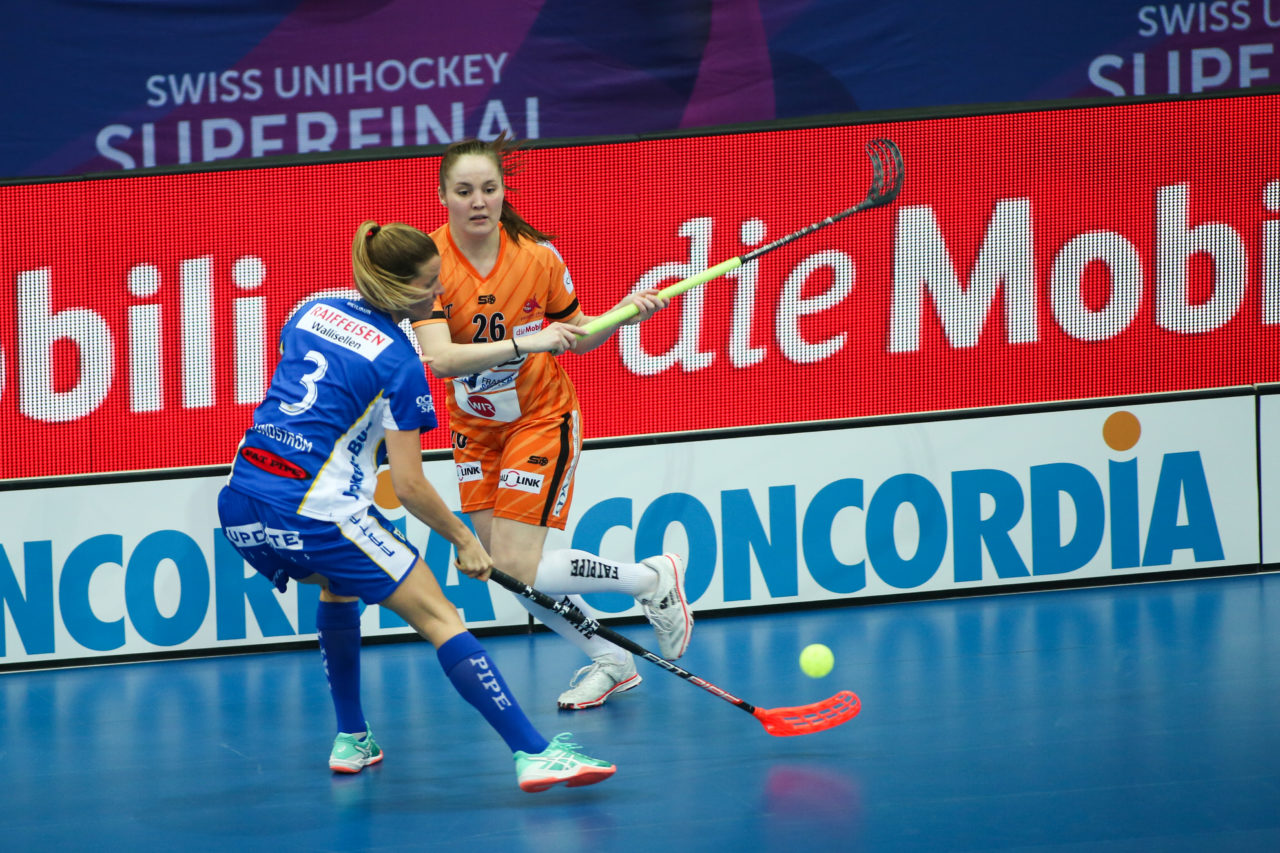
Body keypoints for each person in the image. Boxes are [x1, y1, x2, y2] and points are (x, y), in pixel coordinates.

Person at [216, 220, 615, 792]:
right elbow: (409, 487)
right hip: (320, 512)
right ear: (400, 289)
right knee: (441, 618)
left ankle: (353, 737)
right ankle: (534, 753)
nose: (440, 293)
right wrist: (464, 539)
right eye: (430, 284)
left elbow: (315, 401)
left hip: (242, 501)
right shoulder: (400, 364)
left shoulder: (310, 308)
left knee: (339, 585)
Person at [411, 134, 694, 710]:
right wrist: (527, 341)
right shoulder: (429, 264)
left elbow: (577, 336)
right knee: (503, 571)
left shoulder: (537, 257)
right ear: (443, 196)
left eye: (489, 188)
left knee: (518, 563)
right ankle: (613, 659)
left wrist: (623, 315)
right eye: (463, 191)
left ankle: (650, 580)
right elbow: (440, 359)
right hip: (475, 429)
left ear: (502, 191)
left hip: (541, 416)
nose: (478, 201)